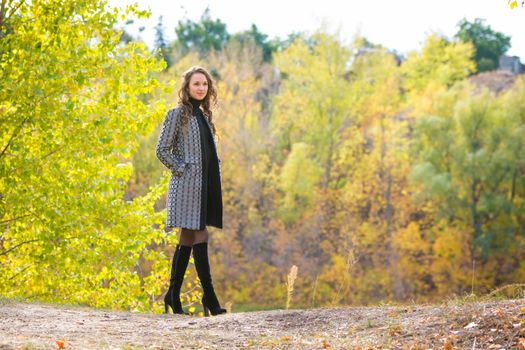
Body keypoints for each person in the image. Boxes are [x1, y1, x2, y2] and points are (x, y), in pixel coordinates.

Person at [155, 66, 226, 317]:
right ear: (186, 87)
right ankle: (210, 296)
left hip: (205, 186)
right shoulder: (177, 115)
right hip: (186, 187)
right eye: (196, 84)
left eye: (205, 84)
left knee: (188, 237)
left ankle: (172, 294)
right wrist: (182, 168)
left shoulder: (205, 116)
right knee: (200, 234)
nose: (201, 88)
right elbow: (162, 150)